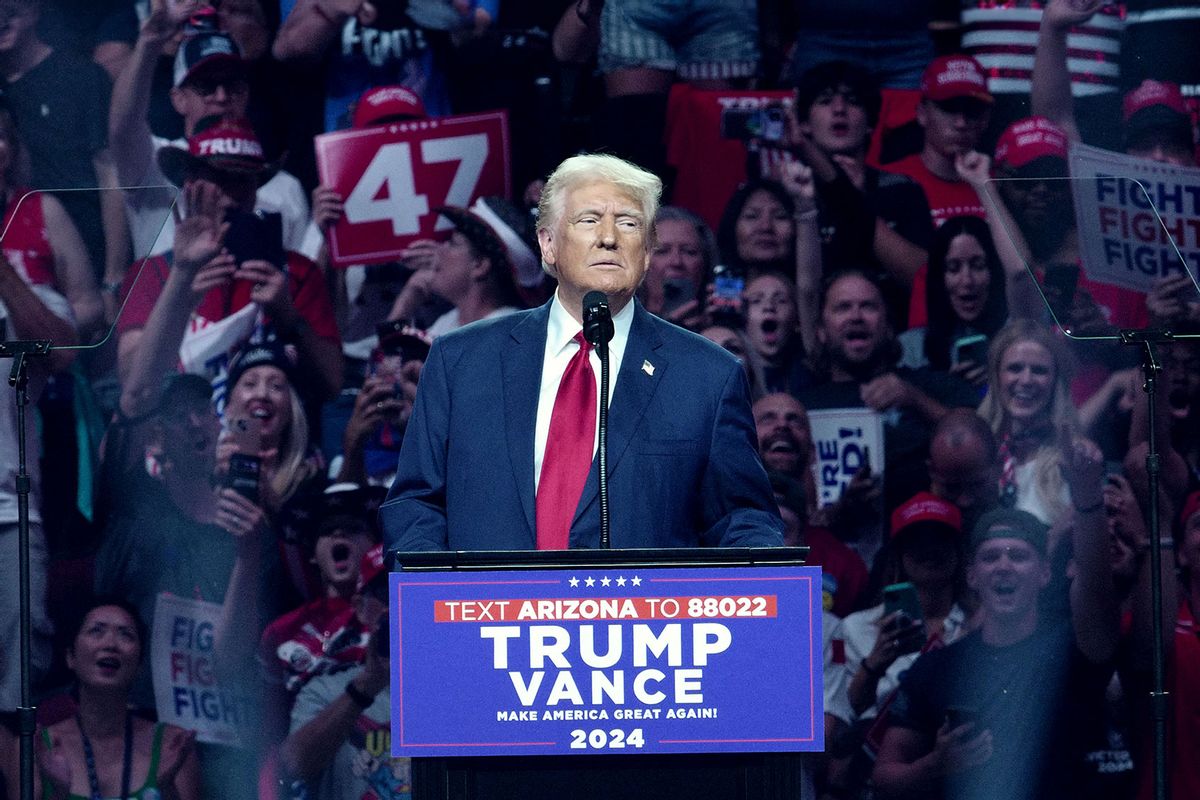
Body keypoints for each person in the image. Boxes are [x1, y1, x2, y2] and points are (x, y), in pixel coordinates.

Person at [381, 152, 784, 551]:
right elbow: (417, 505)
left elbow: (742, 520)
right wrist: (432, 599)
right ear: (549, 244)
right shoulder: (461, 361)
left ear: (645, 251)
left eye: (627, 223)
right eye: (589, 220)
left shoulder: (707, 376)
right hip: (489, 614)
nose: (608, 237)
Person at [872, 494, 1119, 800]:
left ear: (1044, 573)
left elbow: (1096, 586)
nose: (1004, 566)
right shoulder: (936, 668)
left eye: (1018, 556)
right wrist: (935, 765)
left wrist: (1088, 496)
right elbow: (883, 776)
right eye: (990, 557)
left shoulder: (1073, 650)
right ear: (972, 576)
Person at [115, 117, 342, 404]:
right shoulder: (152, 273)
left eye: (243, 181)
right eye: (220, 179)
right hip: (182, 442)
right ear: (190, 184)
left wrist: (286, 314)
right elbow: (132, 384)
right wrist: (181, 282)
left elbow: (331, 385)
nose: (232, 196)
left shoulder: (296, 272)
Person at [12, 599, 200, 800]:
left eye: (126, 634)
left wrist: (166, 786)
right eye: (96, 631)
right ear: (70, 657)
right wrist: (59, 792)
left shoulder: (171, 744)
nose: (111, 644)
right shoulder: (36, 747)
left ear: (139, 666)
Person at [278, 545, 411, 800]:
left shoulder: (451, 689)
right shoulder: (325, 690)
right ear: (360, 607)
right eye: (386, 592)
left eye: (408, 588)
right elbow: (293, 766)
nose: (399, 601)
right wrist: (365, 688)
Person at [976, 319, 1092, 530]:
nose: (1026, 380)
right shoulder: (975, 450)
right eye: (1015, 368)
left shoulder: (1074, 457)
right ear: (996, 376)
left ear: (1056, 381)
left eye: (1039, 370)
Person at [897, 215, 1008, 384]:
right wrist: (949, 389)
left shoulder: (1017, 339)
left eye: (978, 266)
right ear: (940, 278)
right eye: (953, 268)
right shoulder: (911, 347)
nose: (967, 281)